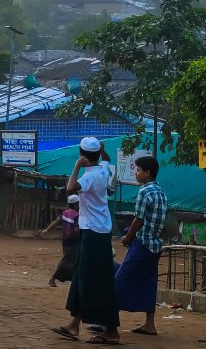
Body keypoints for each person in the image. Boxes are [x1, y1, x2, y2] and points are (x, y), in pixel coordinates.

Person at [51, 137, 120, 345]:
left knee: (97, 281)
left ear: (82, 155)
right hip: (96, 230)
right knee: (81, 276)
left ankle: (112, 331)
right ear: (98, 153)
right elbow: (107, 160)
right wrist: (102, 152)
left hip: (94, 233)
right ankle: (74, 324)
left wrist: (76, 165)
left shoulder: (90, 177)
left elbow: (71, 188)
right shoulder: (104, 170)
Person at [116, 155, 168, 336]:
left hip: (143, 242)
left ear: (148, 172)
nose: (135, 174)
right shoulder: (161, 192)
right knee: (148, 282)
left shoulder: (144, 192)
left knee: (119, 280)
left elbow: (138, 220)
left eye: (138, 170)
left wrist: (128, 237)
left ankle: (107, 323)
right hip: (156, 245)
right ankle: (149, 324)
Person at [41, 195, 81, 287]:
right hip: (74, 241)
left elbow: (56, 221)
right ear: (75, 204)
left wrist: (47, 229)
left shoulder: (65, 213)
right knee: (67, 260)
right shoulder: (77, 215)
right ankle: (52, 279)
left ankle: (75, 280)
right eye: (78, 203)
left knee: (74, 260)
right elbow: (77, 230)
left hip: (65, 240)